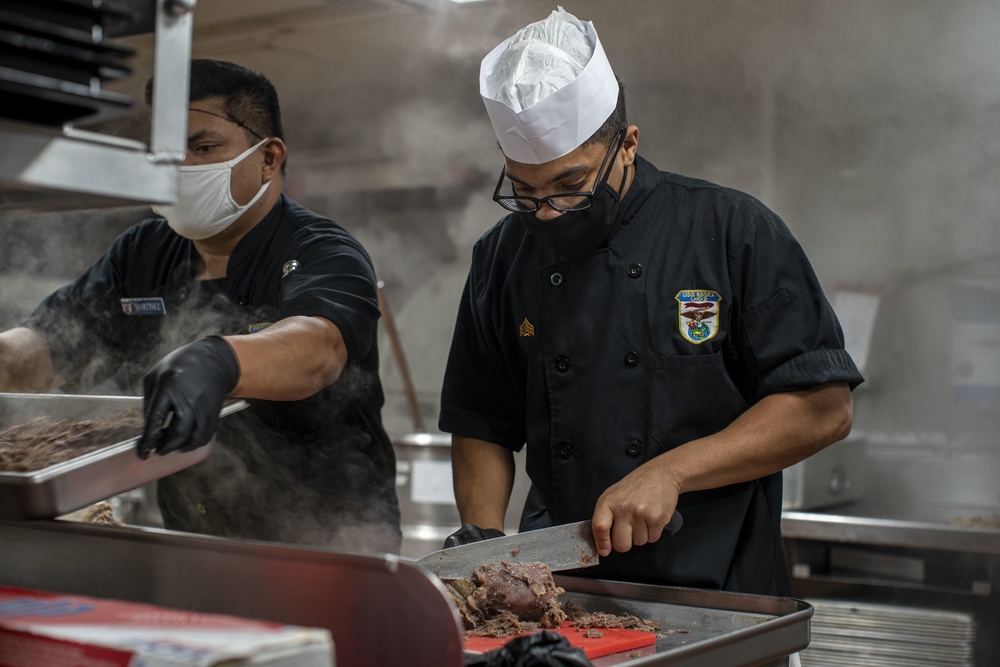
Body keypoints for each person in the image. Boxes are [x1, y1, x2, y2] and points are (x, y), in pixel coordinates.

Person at [438, 8, 863, 597]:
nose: (547, 212)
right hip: (566, 592)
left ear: (628, 145)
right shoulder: (501, 258)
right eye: (525, 190)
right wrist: (482, 539)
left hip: (720, 588)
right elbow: (481, 419)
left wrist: (672, 470)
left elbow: (823, 407)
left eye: (569, 186)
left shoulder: (732, 231)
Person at [0, 59, 401, 554]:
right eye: (166, 153)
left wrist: (220, 359)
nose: (181, 168)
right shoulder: (141, 252)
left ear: (269, 158)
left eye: (204, 147)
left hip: (328, 540)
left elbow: (318, 348)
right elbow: (51, 343)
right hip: (194, 539)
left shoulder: (322, 249)